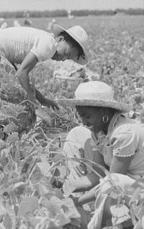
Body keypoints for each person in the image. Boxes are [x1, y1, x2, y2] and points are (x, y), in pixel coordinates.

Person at [0, 24, 89, 170]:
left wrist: (42, 100)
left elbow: (19, 77)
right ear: (61, 39)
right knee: (17, 110)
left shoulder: (44, 41)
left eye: (67, 59)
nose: (63, 59)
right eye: (67, 54)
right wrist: (36, 107)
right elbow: (21, 74)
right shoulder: (49, 44)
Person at [59, 81, 144, 228]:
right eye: (81, 117)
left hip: (138, 190)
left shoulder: (125, 133)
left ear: (104, 112)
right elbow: (98, 175)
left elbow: (113, 183)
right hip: (119, 184)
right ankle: (86, 211)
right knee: (77, 133)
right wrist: (64, 189)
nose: (84, 122)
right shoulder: (99, 131)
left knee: (111, 184)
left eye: (87, 116)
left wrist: (75, 202)